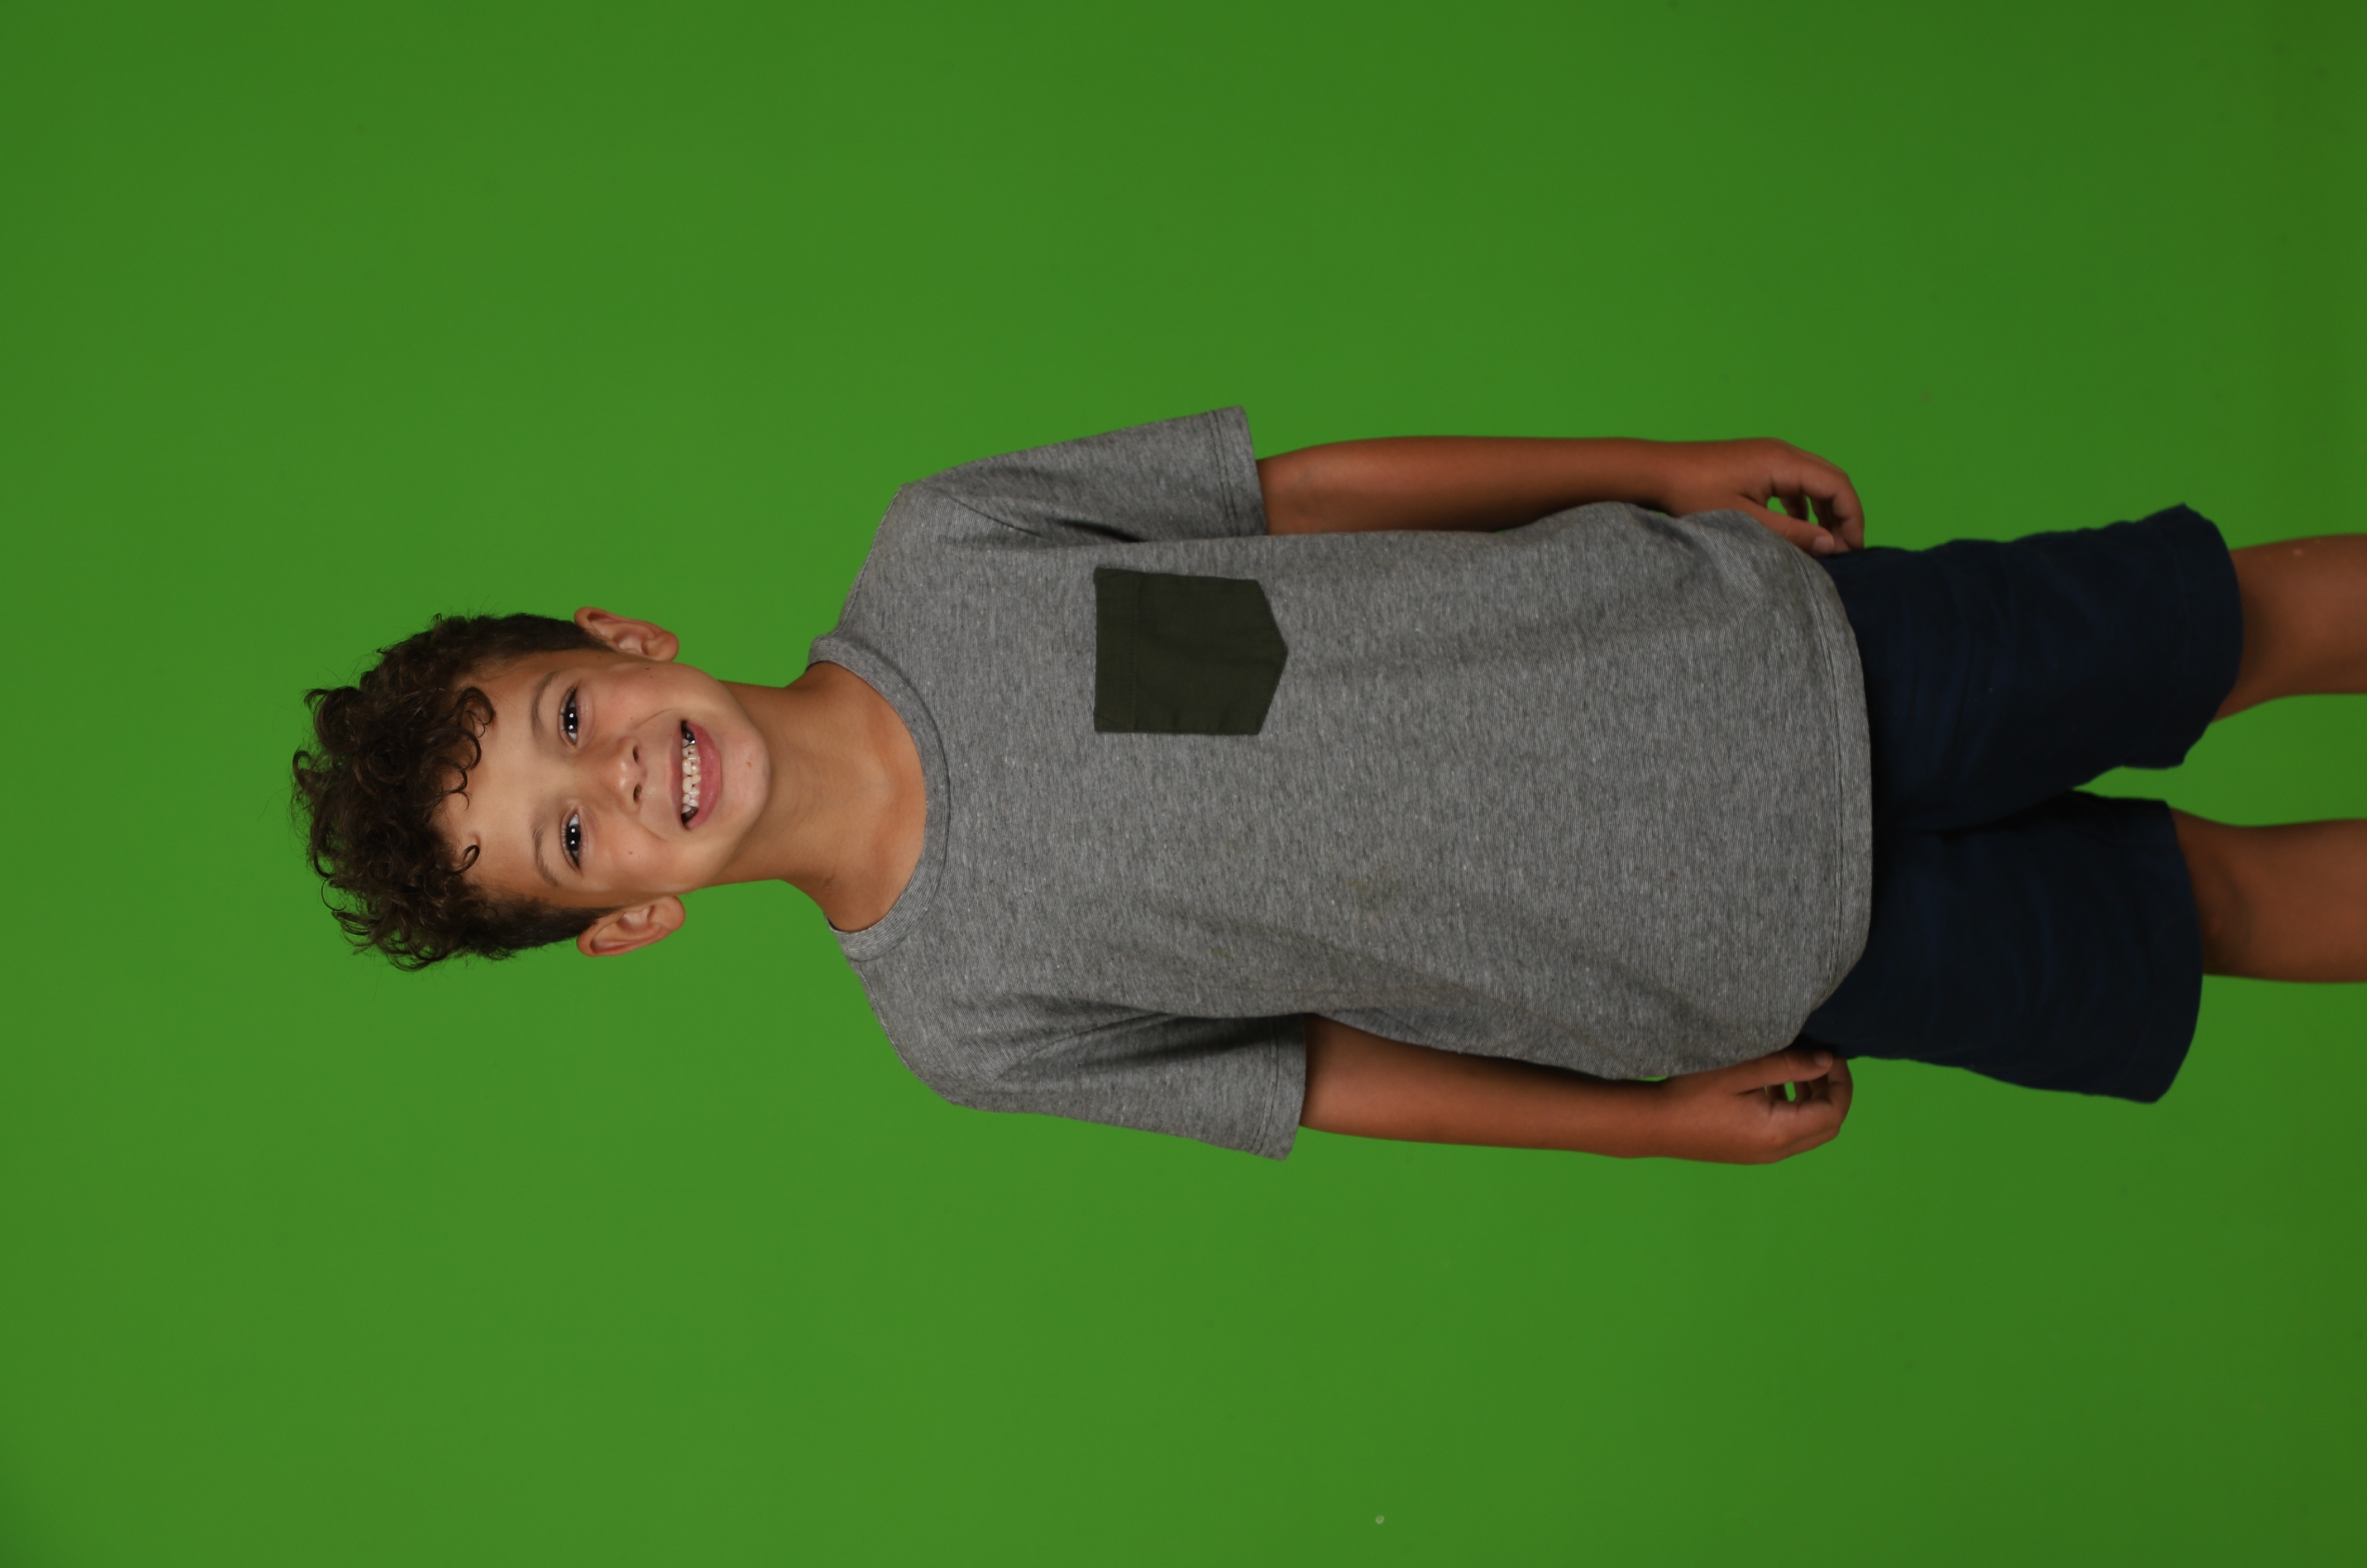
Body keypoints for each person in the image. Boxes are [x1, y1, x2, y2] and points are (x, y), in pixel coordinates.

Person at [292, 410, 2367, 1164]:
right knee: (2214, 912)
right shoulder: (964, 1020)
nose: (620, 773)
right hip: (1744, 949)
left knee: (2233, 622)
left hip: (1758, 647)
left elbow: (1310, 504)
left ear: (620, 636)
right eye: (574, 838)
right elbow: (1326, 1077)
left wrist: (1650, 466)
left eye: (570, 710)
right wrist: (1649, 1122)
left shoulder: (954, 549)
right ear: (627, 918)